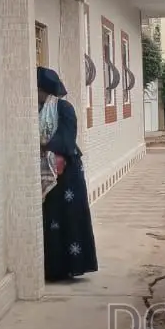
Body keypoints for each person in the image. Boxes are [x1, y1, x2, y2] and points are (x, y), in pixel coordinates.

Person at [37, 67, 98, 282]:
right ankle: (53, 269)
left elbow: (67, 137)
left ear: (43, 89)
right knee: (50, 217)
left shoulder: (63, 108)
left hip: (67, 172)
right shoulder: (36, 109)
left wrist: (46, 147)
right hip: (46, 170)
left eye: (37, 89)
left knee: (69, 216)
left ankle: (72, 266)